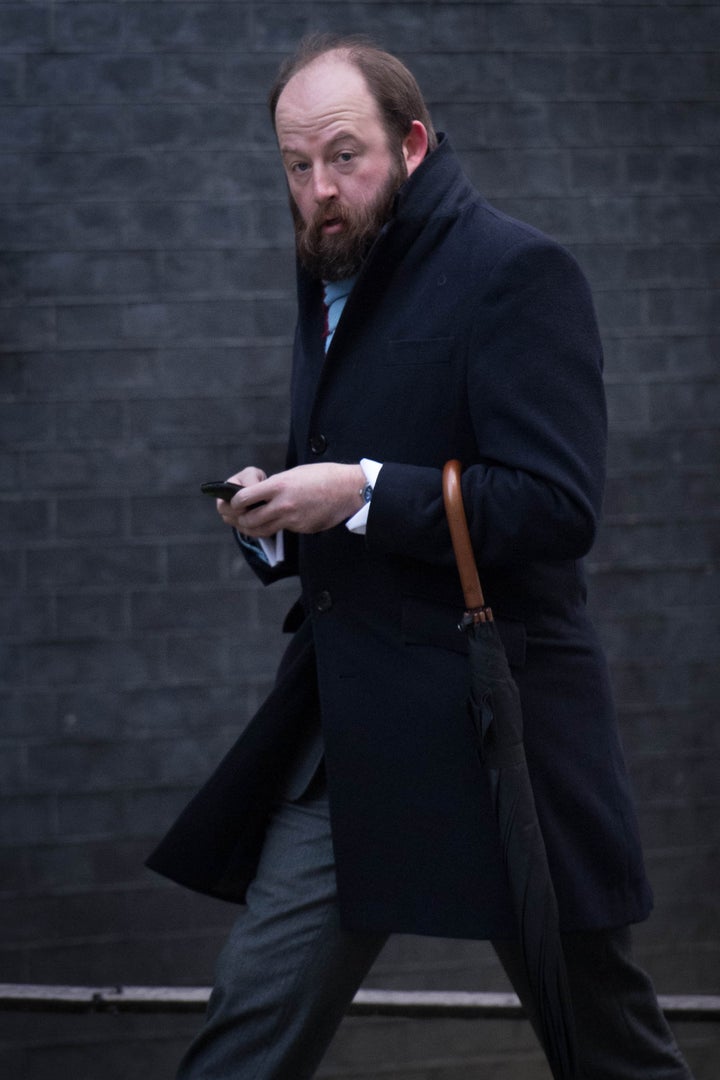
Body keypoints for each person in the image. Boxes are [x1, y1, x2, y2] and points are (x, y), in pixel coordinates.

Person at [147, 33, 694, 1079]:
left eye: (343, 156)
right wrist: (283, 520)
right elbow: (366, 472)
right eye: (296, 165)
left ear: (414, 143)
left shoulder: (516, 272)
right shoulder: (334, 271)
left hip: (499, 736)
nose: (319, 189)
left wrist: (355, 491)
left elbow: (555, 506)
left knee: (608, 1047)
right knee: (247, 1029)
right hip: (349, 731)